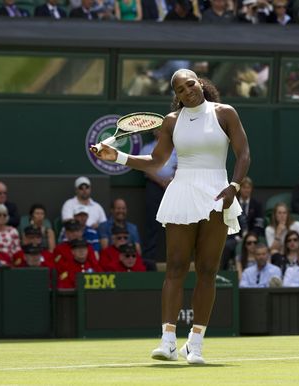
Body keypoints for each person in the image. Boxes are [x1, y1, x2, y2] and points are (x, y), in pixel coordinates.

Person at [92, 68, 250, 365]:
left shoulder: (224, 113)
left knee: (206, 270)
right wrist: (119, 157)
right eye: (180, 89)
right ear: (176, 96)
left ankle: (196, 343)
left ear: (200, 83)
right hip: (182, 191)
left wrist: (235, 186)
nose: (187, 90)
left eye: (190, 84)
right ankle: (167, 341)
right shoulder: (171, 122)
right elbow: (157, 161)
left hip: (217, 192)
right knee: (175, 267)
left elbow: (244, 154)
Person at [139, 128, 177, 263]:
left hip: (174, 187)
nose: (160, 132)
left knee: (175, 222)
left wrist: (171, 180)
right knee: (152, 222)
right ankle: (149, 259)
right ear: (154, 133)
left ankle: (176, 256)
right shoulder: (147, 148)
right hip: (153, 186)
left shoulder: (175, 148)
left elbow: (180, 166)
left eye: (162, 130)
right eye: (158, 130)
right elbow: (146, 169)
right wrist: (161, 182)